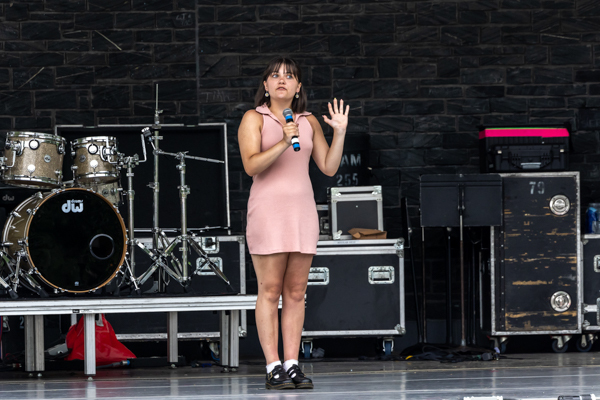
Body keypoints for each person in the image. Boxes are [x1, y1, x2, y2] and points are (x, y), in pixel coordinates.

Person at [238, 56, 349, 390]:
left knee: (297, 292)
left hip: (302, 212)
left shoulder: (310, 121)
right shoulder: (253, 118)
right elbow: (251, 166)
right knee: (270, 291)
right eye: (275, 75)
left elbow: (328, 167)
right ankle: (272, 366)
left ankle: (292, 363)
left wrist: (340, 133)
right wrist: (285, 141)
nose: (282, 79)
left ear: (298, 86)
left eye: (289, 75)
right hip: (268, 212)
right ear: (266, 86)